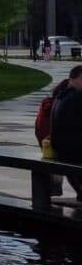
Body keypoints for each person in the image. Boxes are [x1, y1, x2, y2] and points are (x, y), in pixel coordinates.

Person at [50, 65, 82, 200]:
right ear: (73, 79)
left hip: (62, 150)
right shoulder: (76, 97)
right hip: (73, 153)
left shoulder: (61, 95)